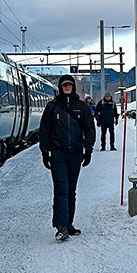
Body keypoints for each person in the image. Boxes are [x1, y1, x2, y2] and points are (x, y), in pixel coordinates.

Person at [39, 75, 96, 241]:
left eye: (69, 85)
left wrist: (88, 150)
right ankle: (61, 226)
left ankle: (68, 223)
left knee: (71, 190)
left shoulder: (81, 107)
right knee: (61, 189)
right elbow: (45, 131)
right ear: (60, 87)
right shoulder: (53, 107)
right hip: (58, 154)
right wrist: (45, 151)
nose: (67, 87)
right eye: (64, 85)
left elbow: (89, 129)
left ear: (73, 87)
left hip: (76, 154)